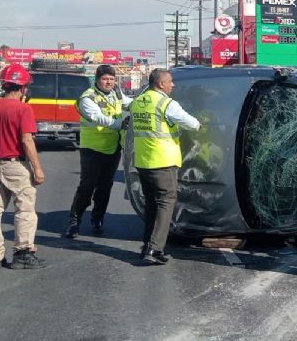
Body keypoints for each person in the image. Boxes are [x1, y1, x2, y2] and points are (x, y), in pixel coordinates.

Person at [0, 63, 46, 270]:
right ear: (23, 88)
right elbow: (27, 141)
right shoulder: (24, 109)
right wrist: (37, 169)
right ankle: (23, 253)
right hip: (17, 167)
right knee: (25, 210)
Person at [129, 69, 200, 265]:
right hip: (163, 161)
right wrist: (201, 125)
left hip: (144, 161)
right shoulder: (167, 103)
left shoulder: (138, 101)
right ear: (161, 84)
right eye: (170, 82)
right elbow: (192, 124)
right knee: (166, 203)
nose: (173, 85)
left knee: (152, 204)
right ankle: (154, 249)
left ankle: (146, 245)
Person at [65, 64, 132, 238]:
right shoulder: (88, 98)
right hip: (92, 149)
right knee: (87, 187)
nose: (109, 82)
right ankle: (74, 220)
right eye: (105, 79)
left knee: (105, 188)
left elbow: (130, 104)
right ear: (97, 79)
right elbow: (98, 117)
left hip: (112, 148)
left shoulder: (116, 93)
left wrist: (144, 106)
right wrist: (120, 124)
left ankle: (97, 219)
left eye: (111, 79)